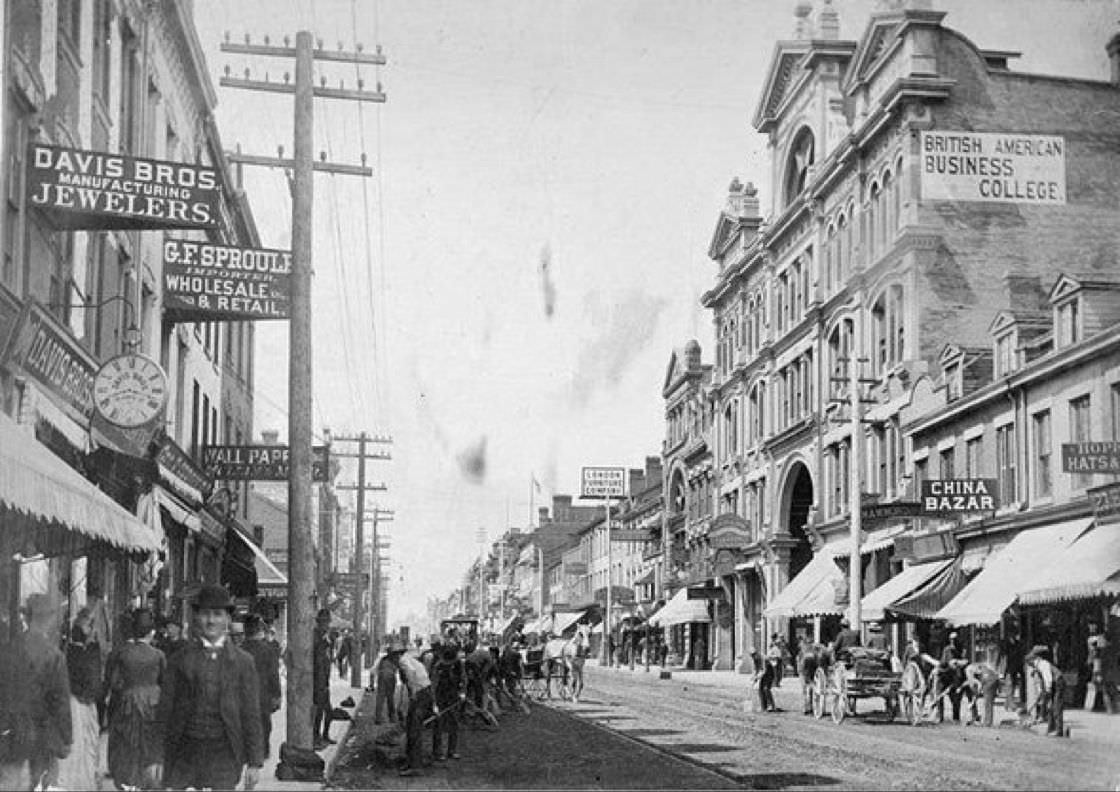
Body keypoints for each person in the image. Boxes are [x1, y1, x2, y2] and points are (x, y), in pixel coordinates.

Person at [160, 584, 263, 791]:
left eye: (217, 614)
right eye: (206, 614)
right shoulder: (180, 659)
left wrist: (254, 762)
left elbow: (251, 713)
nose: (211, 620)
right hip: (185, 751)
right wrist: (155, 756)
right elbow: (165, 709)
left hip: (225, 752)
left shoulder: (243, 662)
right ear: (196, 617)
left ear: (227, 619)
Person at [0, 593, 72, 791]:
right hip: (43, 733)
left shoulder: (8, 651)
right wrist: (66, 738)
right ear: (49, 620)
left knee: (9, 781)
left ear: (26, 618)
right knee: (41, 784)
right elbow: (61, 703)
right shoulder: (54, 656)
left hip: (11, 732)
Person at [105, 607, 165, 791]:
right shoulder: (158, 655)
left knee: (127, 744)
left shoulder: (122, 653)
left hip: (128, 702)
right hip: (153, 703)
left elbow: (113, 682)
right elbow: (165, 681)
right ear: (151, 631)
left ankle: (129, 781)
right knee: (151, 742)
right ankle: (150, 780)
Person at [57, 608, 102, 791]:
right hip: (78, 702)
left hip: (78, 701)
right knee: (82, 742)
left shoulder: (74, 649)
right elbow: (89, 678)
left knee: (82, 742)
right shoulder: (84, 650)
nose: (91, 630)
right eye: (89, 625)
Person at [241, 614, 281, 759]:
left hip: (243, 694)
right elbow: (273, 674)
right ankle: (263, 750)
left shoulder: (239, 650)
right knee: (264, 723)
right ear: (258, 630)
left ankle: (247, 751)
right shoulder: (267, 650)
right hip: (263, 693)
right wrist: (277, 695)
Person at [393, 638, 434, 777]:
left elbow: (410, 675)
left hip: (421, 694)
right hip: (424, 692)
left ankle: (416, 765)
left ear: (396, 654)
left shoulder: (403, 661)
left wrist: (413, 693)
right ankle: (411, 761)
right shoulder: (410, 659)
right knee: (411, 727)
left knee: (414, 730)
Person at [431, 645, 464, 762]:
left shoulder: (459, 664)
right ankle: (438, 752)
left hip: (453, 697)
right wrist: (434, 704)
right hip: (440, 698)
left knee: (454, 724)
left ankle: (452, 750)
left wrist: (462, 692)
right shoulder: (438, 667)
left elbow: (463, 679)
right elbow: (433, 686)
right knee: (439, 725)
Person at [312, 608, 335, 749]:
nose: (326, 625)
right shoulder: (315, 637)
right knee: (319, 712)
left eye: (327, 622)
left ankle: (324, 735)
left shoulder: (325, 637)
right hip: (317, 681)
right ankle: (316, 738)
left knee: (328, 712)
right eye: (323, 622)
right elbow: (317, 660)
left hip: (324, 680)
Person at [1084, 623, 1117, 714]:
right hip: (1101, 665)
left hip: (1099, 664)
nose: (1091, 628)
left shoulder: (1096, 640)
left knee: (1103, 686)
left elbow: (1096, 653)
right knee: (1104, 686)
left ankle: (1108, 708)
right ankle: (1109, 708)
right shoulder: (1097, 640)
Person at [937, 631, 966, 723]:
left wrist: (958, 662)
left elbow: (965, 660)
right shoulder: (947, 649)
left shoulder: (961, 649)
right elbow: (943, 662)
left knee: (956, 698)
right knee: (939, 695)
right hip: (945, 675)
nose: (953, 641)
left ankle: (956, 717)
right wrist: (948, 663)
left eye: (955, 639)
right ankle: (940, 716)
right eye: (952, 639)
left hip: (955, 675)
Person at [962, 656, 1000, 727]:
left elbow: (977, 684)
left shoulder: (968, 670)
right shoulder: (976, 667)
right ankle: (986, 722)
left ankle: (987, 723)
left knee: (987, 703)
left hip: (989, 680)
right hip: (992, 680)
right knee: (988, 703)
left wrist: (974, 698)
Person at [998, 627, 1026, 714]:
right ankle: (1011, 705)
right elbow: (1003, 658)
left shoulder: (1018, 644)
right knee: (1010, 686)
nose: (1015, 636)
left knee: (1012, 686)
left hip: (1016, 667)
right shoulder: (1006, 645)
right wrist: (1001, 672)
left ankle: (1007, 704)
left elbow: (1020, 657)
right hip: (1008, 669)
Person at [374, 641, 403, 724]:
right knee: (390, 698)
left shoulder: (383, 659)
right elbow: (401, 669)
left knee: (380, 697)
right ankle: (392, 717)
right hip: (390, 678)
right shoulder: (396, 659)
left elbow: (376, 669)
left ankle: (378, 718)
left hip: (381, 677)